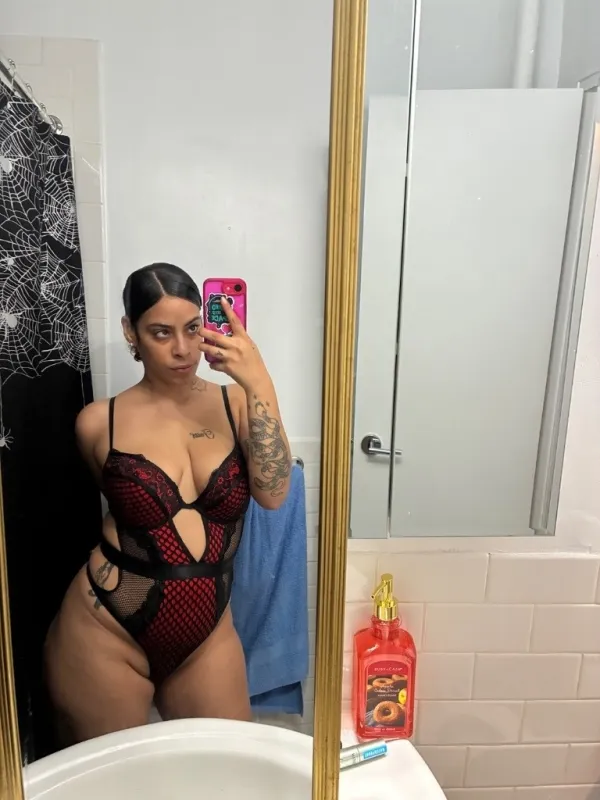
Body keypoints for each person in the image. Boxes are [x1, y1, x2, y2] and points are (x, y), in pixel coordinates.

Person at [44, 262, 292, 745]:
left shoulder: (237, 404)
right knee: (114, 777)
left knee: (227, 766)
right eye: (161, 333)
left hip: (206, 633)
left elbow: (274, 492)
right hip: (106, 628)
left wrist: (259, 382)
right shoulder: (98, 422)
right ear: (130, 332)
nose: (183, 349)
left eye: (193, 328)